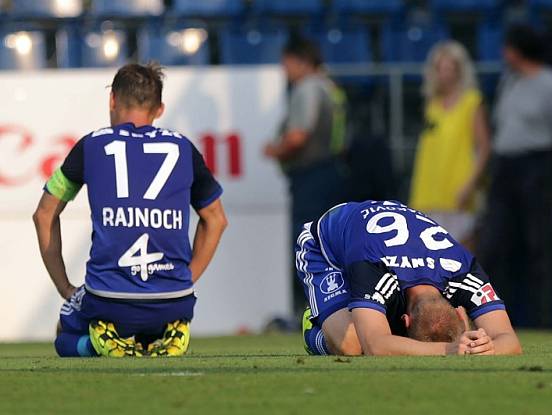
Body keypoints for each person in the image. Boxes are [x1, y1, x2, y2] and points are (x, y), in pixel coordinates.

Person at [33, 63, 227, 357]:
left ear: (112, 99)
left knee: (64, 335)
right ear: (159, 109)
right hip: (174, 299)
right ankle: (168, 334)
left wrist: (64, 287)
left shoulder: (92, 145)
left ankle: (98, 345)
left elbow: (44, 214)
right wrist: (185, 279)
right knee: (152, 319)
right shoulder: (184, 148)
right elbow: (216, 220)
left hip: (107, 298)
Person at [296, 200, 521, 356]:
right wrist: (450, 350)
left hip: (375, 237)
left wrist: (486, 348)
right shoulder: (375, 268)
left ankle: (366, 317)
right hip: (325, 245)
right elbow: (375, 345)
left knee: (380, 336)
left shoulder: (464, 269)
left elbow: (509, 341)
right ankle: (314, 321)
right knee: (352, 345)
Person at [477, 25, 552, 328]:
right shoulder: (509, 81)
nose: (504, 54)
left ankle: (542, 319)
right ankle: (494, 318)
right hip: (505, 166)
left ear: (519, 49)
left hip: (536, 165)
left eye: (508, 47)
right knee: (494, 243)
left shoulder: (551, 83)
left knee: (537, 245)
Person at [264, 34, 349, 315]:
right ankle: (333, 304)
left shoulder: (307, 89)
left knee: (307, 243)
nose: (284, 71)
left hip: (312, 177)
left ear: (300, 61)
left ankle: (309, 308)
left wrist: (275, 150)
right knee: (328, 242)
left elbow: (299, 136)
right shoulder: (329, 87)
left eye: (286, 63)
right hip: (331, 173)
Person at [408, 41, 491, 244]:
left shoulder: (471, 101)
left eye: (449, 68)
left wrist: (470, 184)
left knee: (463, 257)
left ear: (460, 70)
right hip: (428, 191)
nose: (444, 74)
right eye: (439, 68)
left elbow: (484, 147)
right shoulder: (431, 104)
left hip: (458, 190)